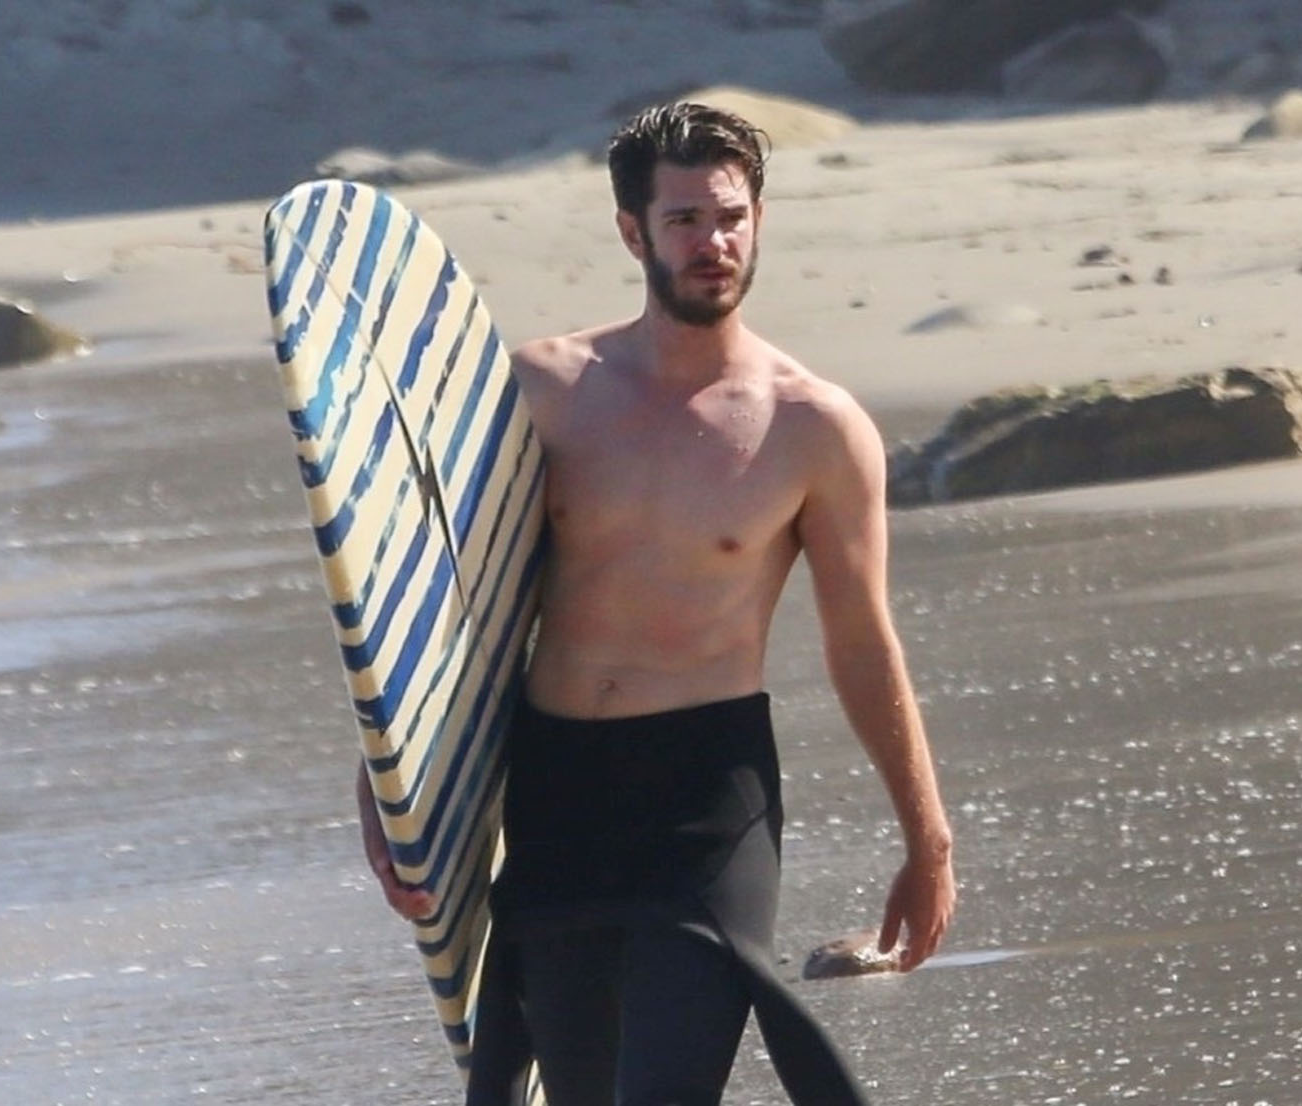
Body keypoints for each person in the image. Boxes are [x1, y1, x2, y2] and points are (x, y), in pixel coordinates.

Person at [357, 101, 957, 1106]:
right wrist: (384, 778)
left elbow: (862, 638)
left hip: (706, 800)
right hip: (554, 795)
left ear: (758, 217)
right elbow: (434, 598)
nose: (713, 243)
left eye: (730, 216)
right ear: (633, 230)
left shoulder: (814, 428)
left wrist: (926, 838)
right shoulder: (544, 392)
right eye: (684, 220)